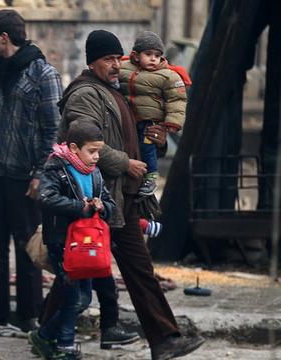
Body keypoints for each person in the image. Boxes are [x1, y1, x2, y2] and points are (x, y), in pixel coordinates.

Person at [57, 29, 204, 360]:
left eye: (116, 58)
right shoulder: (85, 95)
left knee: (136, 270)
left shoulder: (117, 91)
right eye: (108, 59)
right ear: (93, 61)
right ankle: (48, 331)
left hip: (121, 197)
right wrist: (127, 163)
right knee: (78, 265)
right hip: (99, 196)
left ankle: (165, 339)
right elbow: (81, 145)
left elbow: (134, 135)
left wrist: (157, 138)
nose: (114, 65)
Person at [0, 9, 62, 332]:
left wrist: (41, 174)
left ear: (4, 38)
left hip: (26, 177)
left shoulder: (42, 74)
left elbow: (53, 130)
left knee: (28, 249)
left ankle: (29, 315)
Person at [29, 121, 116, 360]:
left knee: (84, 297)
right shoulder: (56, 168)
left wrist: (102, 206)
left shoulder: (95, 173)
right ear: (75, 148)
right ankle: (64, 346)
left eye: (99, 151)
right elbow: (46, 198)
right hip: (62, 243)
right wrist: (81, 207)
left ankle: (44, 336)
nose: (97, 157)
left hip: (87, 243)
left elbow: (110, 203)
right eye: (92, 151)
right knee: (74, 296)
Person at [119, 31, 188, 196]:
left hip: (151, 121)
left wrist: (173, 122)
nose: (153, 59)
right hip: (128, 120)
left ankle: (150, 177)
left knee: (148, 148)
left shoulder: (167, 75)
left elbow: (177, 100)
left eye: (157, 55)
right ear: (136, 56)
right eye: (148, 54)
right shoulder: (123, 68)